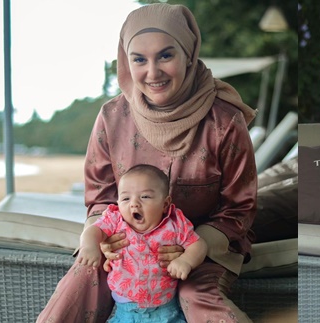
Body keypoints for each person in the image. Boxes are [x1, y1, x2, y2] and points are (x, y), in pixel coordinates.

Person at [38, 3, 258, 322]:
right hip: (124, 246)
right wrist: (105, 240)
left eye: (166, 56)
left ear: (189, 54)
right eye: (139, 59)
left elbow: (240, 207)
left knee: (194, 295)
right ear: (126, 61)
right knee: (81, 280)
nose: (152, 73)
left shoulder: (225, 121)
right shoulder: (112, 117)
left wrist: (194, 248)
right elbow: (100, 197)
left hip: (201, 248)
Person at [77, 164, 207, 322]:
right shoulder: (115, 220)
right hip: (126, 313)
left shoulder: (174, 224)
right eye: (126, 198)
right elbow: (92, 231)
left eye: (145, 197)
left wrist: (186, 260)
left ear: (165, 204)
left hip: (166, 312)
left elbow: (198, 245)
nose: (134, 204)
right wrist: (90, 246)